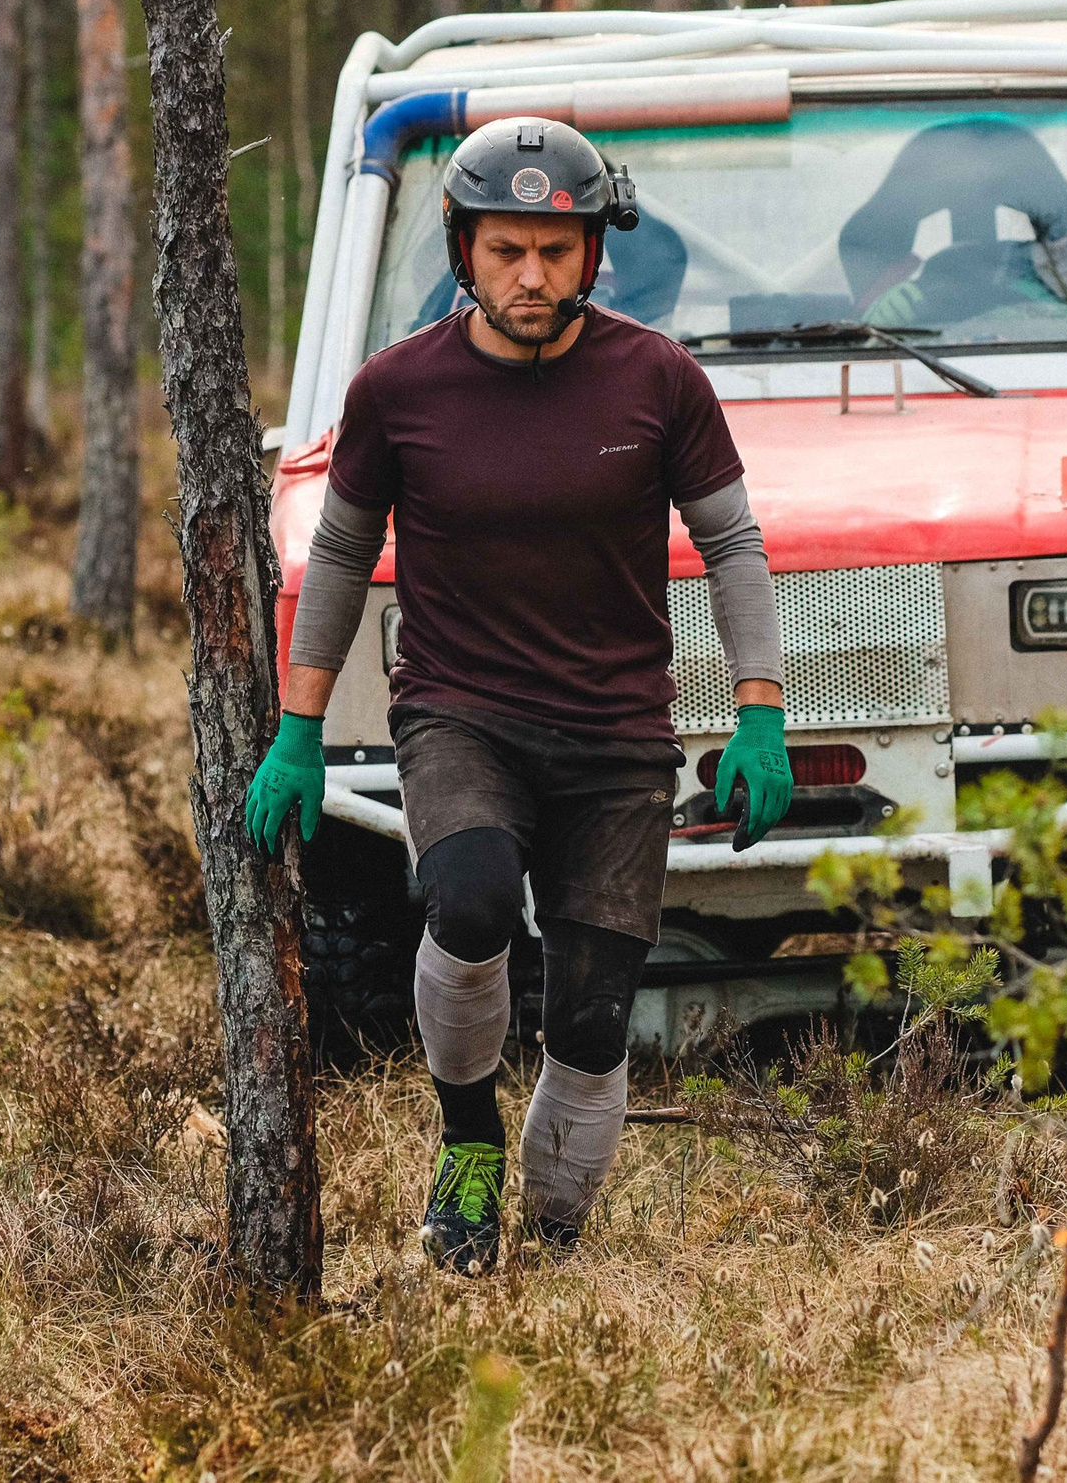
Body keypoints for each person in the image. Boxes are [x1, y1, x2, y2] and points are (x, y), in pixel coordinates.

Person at [244, 117, 793, 1276]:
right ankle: (465, 1146)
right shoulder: (396, 391)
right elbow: (339, 558)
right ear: (461, 247)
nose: (531, 275)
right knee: (473, 901)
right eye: (506, 250)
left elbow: (733, 543)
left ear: (595, 251)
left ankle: (550, 1234)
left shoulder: (659, 379)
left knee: (592, 1019)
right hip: (461, 714)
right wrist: (298, 728)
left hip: (615, 736)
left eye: (556, 249)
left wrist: (759, 709)